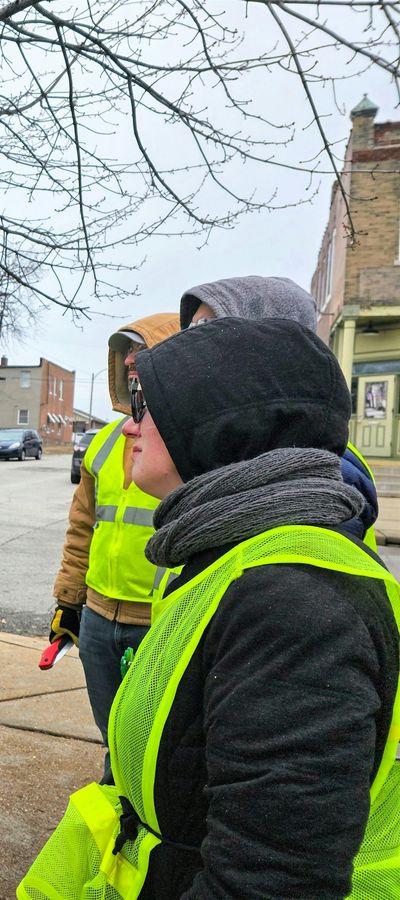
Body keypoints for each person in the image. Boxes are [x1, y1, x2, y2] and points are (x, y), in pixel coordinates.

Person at [20, 318, 400, 899]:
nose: (127, 427)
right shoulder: (230, 555)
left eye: (147, 404)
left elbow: (270, 882)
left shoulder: (294, 605)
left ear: (221, 423)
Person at [49, 312, 179, 782]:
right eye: (124, 352)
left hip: (159, 619)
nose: (129, 361)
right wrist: (69, 603)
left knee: (162, 743)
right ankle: (116, 804)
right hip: (102, 619)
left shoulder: (187, 440)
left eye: (140, 351)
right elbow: (83, 525)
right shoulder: (106, 441)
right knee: (113, 734)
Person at [179, 274, 380, 543]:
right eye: (189, 330)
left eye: (205, 326)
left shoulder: (316, 478)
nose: (187, 345)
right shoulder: (244, 446)